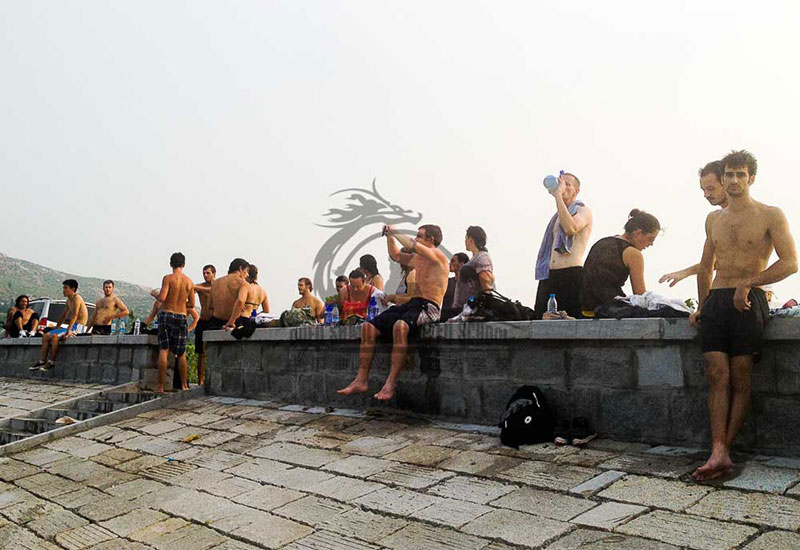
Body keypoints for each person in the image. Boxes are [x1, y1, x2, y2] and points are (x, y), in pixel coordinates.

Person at [691, 150, 797, 481]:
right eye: (728, 175)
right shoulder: (713, 219)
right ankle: (718, 450)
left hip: (749, 300)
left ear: (751, 178)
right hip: (718, 301)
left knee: (740, 375)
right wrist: (701, 305)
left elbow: (791, 261)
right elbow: (706, 265)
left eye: (740, 174)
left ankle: (723, 450)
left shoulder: (770, 214)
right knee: (715, 374)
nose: (734, 180)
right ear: (721, 179)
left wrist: (750, 282)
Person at [338, 224, 448, 401]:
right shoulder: (418, 260)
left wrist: (395, 231)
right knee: (368, 327)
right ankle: (361, 379)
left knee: (400, 326)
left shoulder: (438, 257)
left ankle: (390, 384)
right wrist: (389, 236)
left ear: (431, 240)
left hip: (429, 306)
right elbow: (396, 255)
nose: (416, 238)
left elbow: (411, 244)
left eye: (420, 235)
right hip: (413, 304)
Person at [580, 209, 661, 317]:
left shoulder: (601, 242)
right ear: (638, 233)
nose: (651, 244)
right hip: (608, 309)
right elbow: (640, 295)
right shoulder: (633, 254)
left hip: (585, 309)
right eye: (651, 239)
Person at [660, 161, 729, 286]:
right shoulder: (714, 218)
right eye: (704, 190)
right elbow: (708, 265)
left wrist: (686, 272)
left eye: (711, 189)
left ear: (726, 183)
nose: (706, 195)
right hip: (721, 292)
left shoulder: (754, 214)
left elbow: (736, 260)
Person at [535, 172, 593, 319]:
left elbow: (570, 228)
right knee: (540, 318)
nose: (563, 187)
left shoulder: (582, 210)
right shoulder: (557, 217)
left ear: (576, 190)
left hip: (570, 274)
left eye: (567, 184)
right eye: (560, 183)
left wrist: (558, 196)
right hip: (549, 275)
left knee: (569, 321)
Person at [153, 252, 196, 393]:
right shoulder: (189, 282)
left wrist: (155, 294)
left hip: (167, 314)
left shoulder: (168, 278)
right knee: (181, 352)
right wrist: (181, 302)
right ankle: (184, 385)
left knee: (164, 350)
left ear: (171, 264)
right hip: (181, 316)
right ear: (184, 265)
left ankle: (160, 386)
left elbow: (163, 297)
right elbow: (192, 305)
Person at [34, 279, 88, 370]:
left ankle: (51, 362)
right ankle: (42, 361)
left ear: (73, 289)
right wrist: (57, 327)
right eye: (63, 288)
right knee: (46, 336)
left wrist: (68, 330)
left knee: (54, 336)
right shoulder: (69, 300)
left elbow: (75, 315)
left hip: (78, 327)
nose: (64, 290)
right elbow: (63, 315)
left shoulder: (77, 298)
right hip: (73, 326)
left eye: (66, 288)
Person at [452, 226, 495, 313]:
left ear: (470, 239)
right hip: (462, 308)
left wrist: (484, 307)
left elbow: (486, 283)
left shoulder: (482, 257)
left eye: (466, 238)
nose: (465, 241)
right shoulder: (475, 258)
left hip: (471, 309)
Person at [208, 258, 249, 331]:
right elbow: (240, 301)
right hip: (233, 322)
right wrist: (231, 321)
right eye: (246, 271)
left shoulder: (215, 283)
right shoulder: (243, 283)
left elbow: (210, 305)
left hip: (215, 322)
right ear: (240, 268)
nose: (247, 275)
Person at [193, 264, 216, 386]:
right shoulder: (200, 286)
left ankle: (212, 378)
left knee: (212, 351)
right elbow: (190, 289)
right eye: (204, 273)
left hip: (214, 320)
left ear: (214, 274)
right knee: (201, 353)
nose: (206, 275)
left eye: (208, 273)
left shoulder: (218, 287)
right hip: (203, 320)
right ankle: (200, 381)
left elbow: (213, 290)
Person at [441, 252, 469, 320]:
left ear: (461, 264)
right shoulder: (447, 282)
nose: (450, 263)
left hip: (460, 318)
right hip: (445, 318)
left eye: (453, 261)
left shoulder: (468, 284)